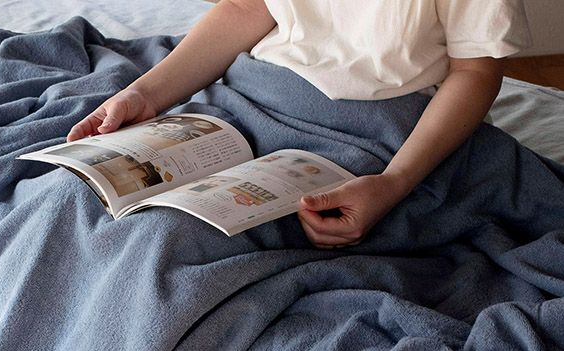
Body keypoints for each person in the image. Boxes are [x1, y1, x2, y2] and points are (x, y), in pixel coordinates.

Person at [66, 0, 531, 249]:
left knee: (162, 240)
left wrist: (394, 183)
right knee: (75, 199)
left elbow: (475, 71)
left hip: (373, 134)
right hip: (250, 95)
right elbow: (245, 8)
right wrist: (144, 95)